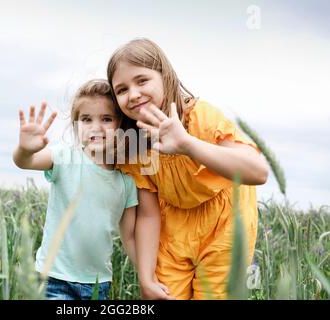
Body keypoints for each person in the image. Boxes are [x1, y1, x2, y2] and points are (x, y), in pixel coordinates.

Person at [107, 38, 269, 300]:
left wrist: (186, 144)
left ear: (165, 77)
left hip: (225, 225)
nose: (133, 94)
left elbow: (258, 172)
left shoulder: (200, 116)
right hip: (172, 229)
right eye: (122, 89)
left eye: (142, 80)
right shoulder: (135, 146)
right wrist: (146, 277)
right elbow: (147, 215)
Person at [13, 79, 140, 300]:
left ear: (120, 125)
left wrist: (148, 276)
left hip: (97, 284)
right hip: (52, 279)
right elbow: (25, 162)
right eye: (86, 119)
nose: (96, 127)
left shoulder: (126, 182)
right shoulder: (65, 158)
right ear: (76, 125)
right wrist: (24, 149)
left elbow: (128, 236)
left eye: (106, 119)